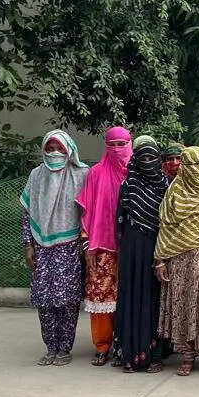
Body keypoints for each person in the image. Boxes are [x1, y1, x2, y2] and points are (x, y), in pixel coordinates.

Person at [155, 146, 199, 378]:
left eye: (197, 165)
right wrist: (160, 260)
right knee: (180, 305)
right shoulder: (174, 192)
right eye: (189, 165)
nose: (193, 170)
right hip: (177, 258)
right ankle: (187, 355)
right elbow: (165, 227)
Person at [22, 130, 88, 366]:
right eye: (50, 149)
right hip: (42, 246)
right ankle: (50, 347)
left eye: (59, 148)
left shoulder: (81, 174)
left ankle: (65, 348)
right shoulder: (36, 175)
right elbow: (27, 212)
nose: (55, 153)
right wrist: (28, 244)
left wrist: (85, 242)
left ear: (69, 150)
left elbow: (88, 212)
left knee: (67, 299)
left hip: (70, 246)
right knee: (44, 299)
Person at [77, 126, 131, 366]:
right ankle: (102, 345)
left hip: (130, 246)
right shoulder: (96, 173)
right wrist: (86, 241)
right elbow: (86, 209)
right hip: (100, 247)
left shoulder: (136, 172)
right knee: (101, 296)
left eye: (121, 144)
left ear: (130, 144)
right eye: (112, 145)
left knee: (128, 297)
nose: (117, 149)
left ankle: (124, 343)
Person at [115, 136, 168, 373]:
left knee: (154, 298)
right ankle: (128, 354)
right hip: (131, 248)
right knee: (131, 296)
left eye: (151, 158)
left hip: (158, 248)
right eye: (142, 158)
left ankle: (154, 355)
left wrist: (164, 254)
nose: (147, 162)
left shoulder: (166, 185)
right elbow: (119, 219)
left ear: (158, 160)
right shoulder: (128, 184)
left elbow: (169, 221)